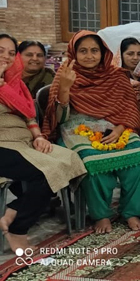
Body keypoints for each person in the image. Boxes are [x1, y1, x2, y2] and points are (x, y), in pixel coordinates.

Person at [41, 31, 140, 233]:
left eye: (94, 50)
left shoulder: (116, 75)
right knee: (91, 161)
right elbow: (59, 119)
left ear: (103, 53)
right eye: (83, 51)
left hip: (116, 126)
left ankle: (132, 212)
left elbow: (130, 109)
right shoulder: (65, 74)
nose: (89, 56)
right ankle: (101, 215)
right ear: (74, 53)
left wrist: (120, 128)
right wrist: (65, 88)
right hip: (76, 127)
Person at [0, 40, 86, 252]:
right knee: (46, 172)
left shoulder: (15, 83)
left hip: (24, 141)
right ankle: (18, 230)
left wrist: (38, 136)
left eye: (11, 52)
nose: (6, 56)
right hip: (2, 143)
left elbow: (28, 115)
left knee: (70, 159)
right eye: (1, 51)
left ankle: (12, 211)